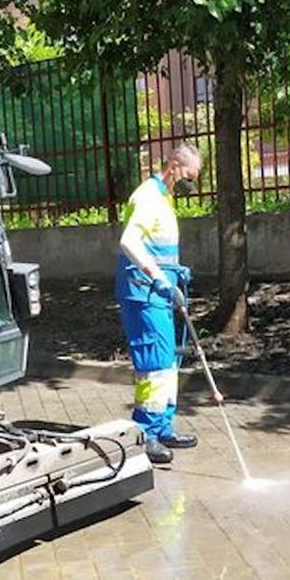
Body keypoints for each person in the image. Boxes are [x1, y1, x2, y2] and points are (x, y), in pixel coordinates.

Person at [114, 144, 209, 465]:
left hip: (159, 292)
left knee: (168, 361)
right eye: (189, 177)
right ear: (173, 166)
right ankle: (145, 434)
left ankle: (163, 427)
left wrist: (174, 271)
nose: (190, 184)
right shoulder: (148, 197)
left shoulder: (165, 197)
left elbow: (157, 247)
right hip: (143, 292)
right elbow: (129, 241)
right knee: (154, 364)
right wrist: (158, 277)